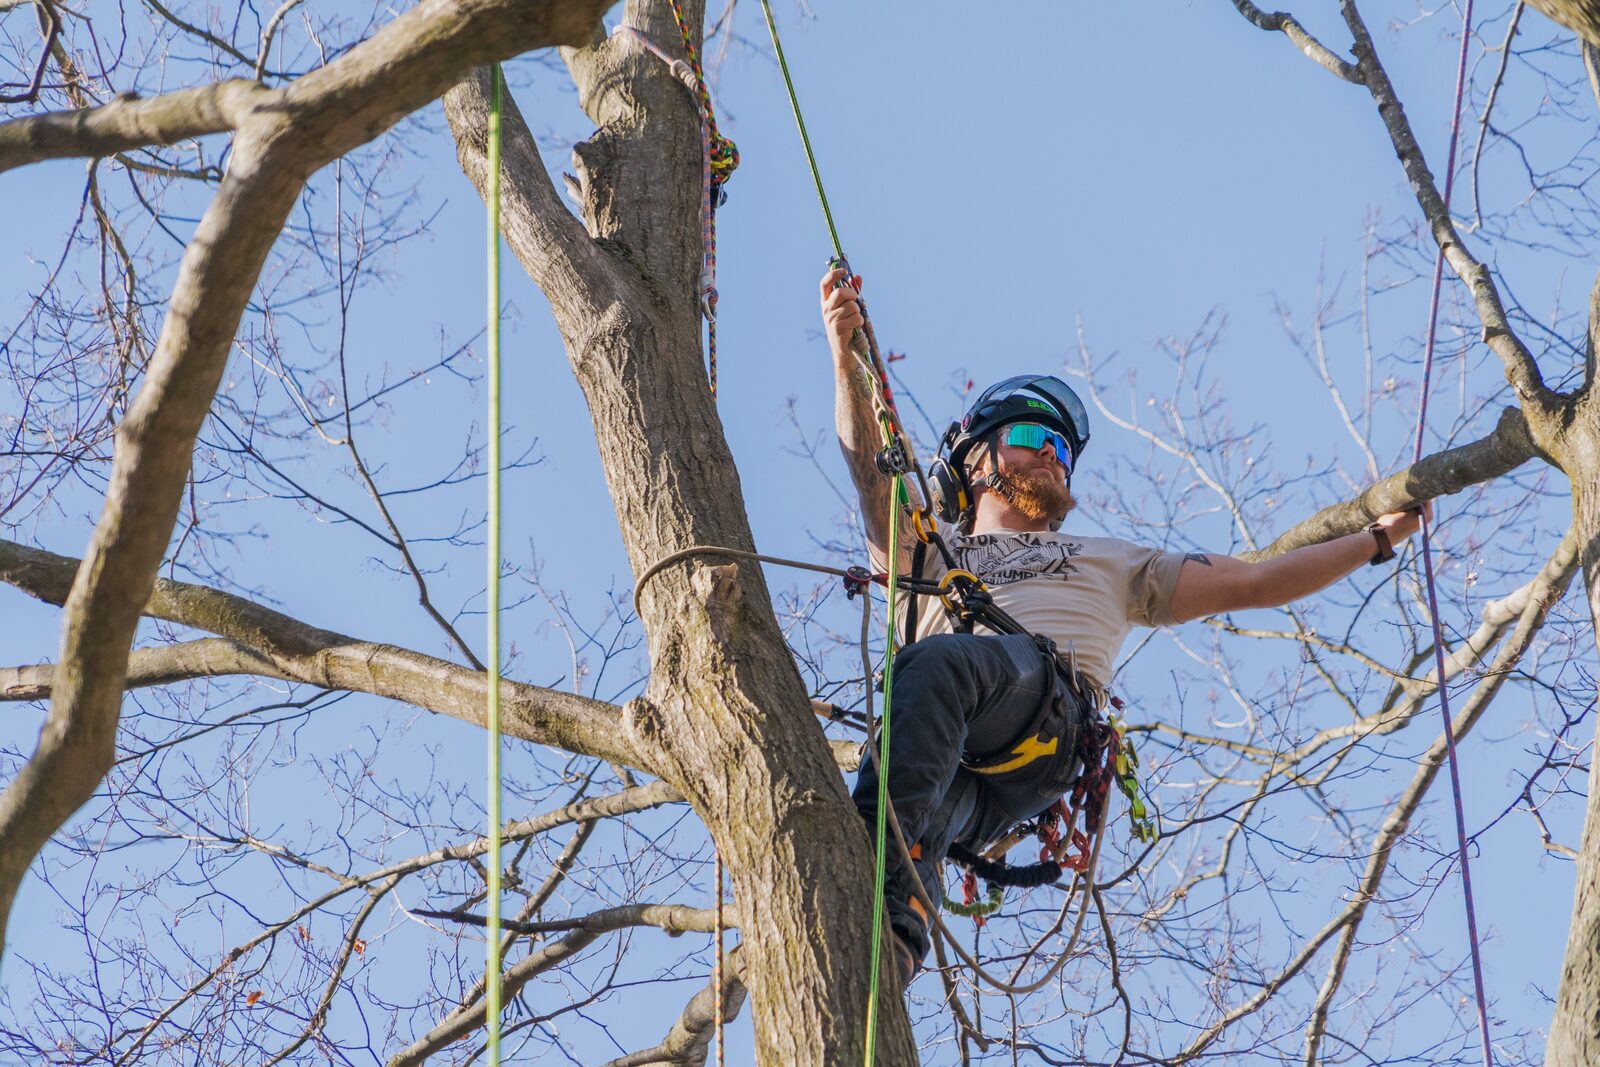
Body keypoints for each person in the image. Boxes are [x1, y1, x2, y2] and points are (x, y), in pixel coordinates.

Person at [818, 267, 1429, 983]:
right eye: (1030, 435)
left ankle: (858, 862)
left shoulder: (1114, 562)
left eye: (1064, 449)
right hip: (954, 761)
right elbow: (869, 466)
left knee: (934, 671)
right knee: (918, 823)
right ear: (976, 460)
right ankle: (892, 944)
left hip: (1040, 724)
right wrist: (844, 352)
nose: (1052, 453)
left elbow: (1255, 580)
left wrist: (1374, 541)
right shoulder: (926, 546)